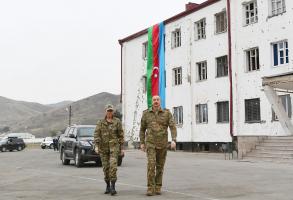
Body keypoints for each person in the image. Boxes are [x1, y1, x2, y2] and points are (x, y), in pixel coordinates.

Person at [139, 95, 177, 196]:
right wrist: (142, 142)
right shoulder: (146, 113)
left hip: (162, 144)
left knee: (160, 166)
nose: (156, 101)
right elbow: (142, 129)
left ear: (160, 101)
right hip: (150, 144)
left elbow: (172, 126)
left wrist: (173, 140)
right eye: (154, 100)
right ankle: (150, 188)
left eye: (157, 100)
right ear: (152, 101)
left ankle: (158, 186)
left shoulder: (166, 113)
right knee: (151, 165)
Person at [94, 104, 124, 196]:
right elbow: (96, 135)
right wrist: (96, 146)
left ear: (113, 112)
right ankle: (107, 185)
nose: (110, 112)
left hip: (114, 148)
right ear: (105, 111)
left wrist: (122, 148)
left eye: (111, 111)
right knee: (106, 168)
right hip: (103, 149)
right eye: (108, 111)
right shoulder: (100, 122)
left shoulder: (117, 121)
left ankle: (113, 187)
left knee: (113, 167)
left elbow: (121, 135)